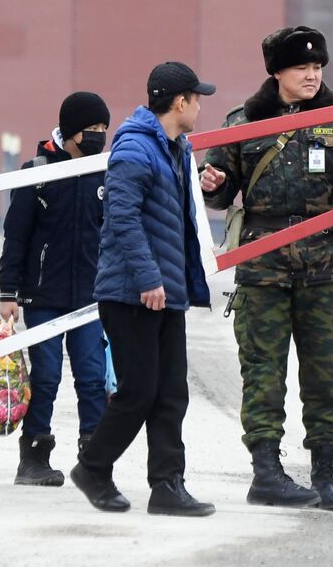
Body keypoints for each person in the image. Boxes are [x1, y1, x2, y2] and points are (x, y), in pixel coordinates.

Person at [200, 26, 333, 513]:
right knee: (262, 372)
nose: (313, 75)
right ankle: (266, 472)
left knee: (324, 374)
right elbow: (216, 190)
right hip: (263, 263)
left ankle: (325, 473)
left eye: (318, 67)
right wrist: (210, 181)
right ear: (277, 72)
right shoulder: (243, 122)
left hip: (323, 261)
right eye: (302, 68)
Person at [70, 62, 216, 517]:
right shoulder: (135, 147)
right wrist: (148, 277)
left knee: (171, 392)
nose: (198, 106)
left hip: (165, 292)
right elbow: (123, 218)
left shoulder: (174, 147)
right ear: (179, 103)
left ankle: (168, 486)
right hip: (132, 293)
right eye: (196, 98)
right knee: (138, 392)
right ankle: (93, 467)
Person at [0, 91, 111, 487]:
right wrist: (8, 291)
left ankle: (94, 460)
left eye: (103, 129)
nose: (99, 136)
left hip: (90, 297)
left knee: (93, 376)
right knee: (45, 375)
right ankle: (33, 458)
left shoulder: (105, 172)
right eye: (93, 129)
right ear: (71, 130)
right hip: (43, 296)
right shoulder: (38, 171)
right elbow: (16, 235)